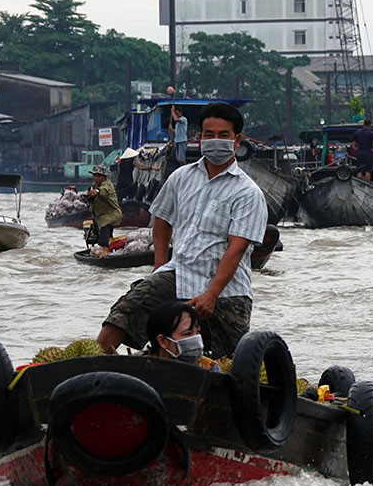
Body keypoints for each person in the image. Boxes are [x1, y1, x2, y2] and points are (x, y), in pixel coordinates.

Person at [96, 102, 268, 360]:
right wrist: (159, 264)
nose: (215, 141)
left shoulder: (248, 192)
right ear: (199, 138)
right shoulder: (181, 177)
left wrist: (211, 295)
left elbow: (237, 248)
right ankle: (95, 368)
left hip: (227, 289)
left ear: (237, 140)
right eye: (209, 135)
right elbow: (162, 219)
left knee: (234, 362)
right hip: (178, 274)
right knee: (128, 308)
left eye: (224, 135)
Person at [145, 300, 221, 372]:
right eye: (187, 333)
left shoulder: (210, 368)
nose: (195, 338)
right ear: (163, 341)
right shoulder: (140, 369)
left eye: (197, 332)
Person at [86, 165, 122, 252]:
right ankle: (110, 249)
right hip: (102, 214)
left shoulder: (107, 184)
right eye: (94, 175)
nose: (96, 178)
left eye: (98, 176)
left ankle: (105, 251)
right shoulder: (94, 186)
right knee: (106, 233)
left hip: (111, 213)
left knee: (104, 227)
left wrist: (97, 191)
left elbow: (103, 190)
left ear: (104, 177)